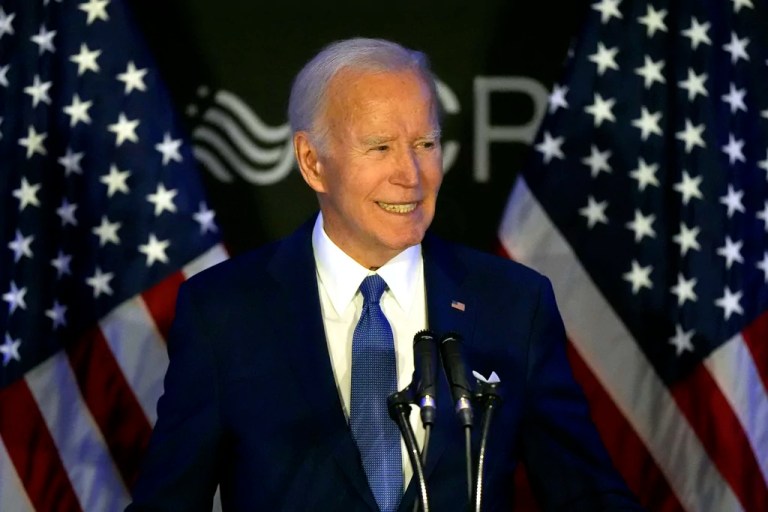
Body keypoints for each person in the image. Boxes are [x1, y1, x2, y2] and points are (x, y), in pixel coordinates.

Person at [127, 38, 643, 511]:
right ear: (312, 162)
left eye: (426, 144)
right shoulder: (224, 311)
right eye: (380, 147)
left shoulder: (513, 304)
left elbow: (587, 495)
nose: (411, 176)